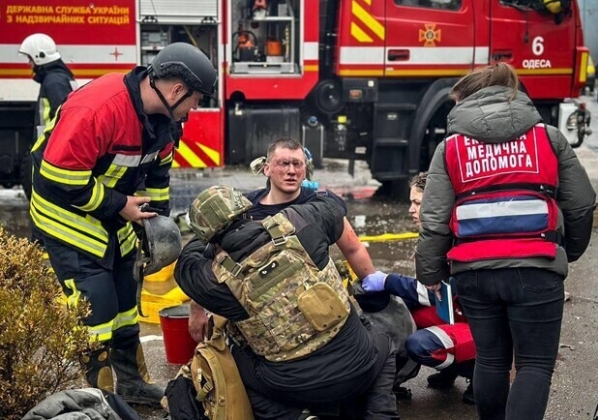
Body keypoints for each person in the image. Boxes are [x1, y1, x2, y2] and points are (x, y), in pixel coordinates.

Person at [29, 42, 217, 407]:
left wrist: (156, 225)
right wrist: (120, 205)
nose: (194, 109)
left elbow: (158, 177)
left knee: (126, 299)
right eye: (195, 100)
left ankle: (132, 385)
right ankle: (99, 400)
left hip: (115, 214)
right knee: (97, 307)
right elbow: (58, 177)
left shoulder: (164, 121)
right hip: (66, 215)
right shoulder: (99, 108)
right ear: (177, 91)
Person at [415, 63, 596, 420]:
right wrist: (567, 252)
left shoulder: (450, 148)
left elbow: (434, 220)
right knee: (534, 365)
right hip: (537, 266)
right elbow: (581, 203)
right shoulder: (548, 138)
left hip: (474, 274)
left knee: (491, 359)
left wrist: (430, 272)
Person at [176, 185, 399, 420]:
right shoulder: (298, 220)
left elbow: (185, 261)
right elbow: (333, 206)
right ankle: (380, 414)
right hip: (358, 367)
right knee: (384, 342)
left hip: (293, 390)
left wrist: (208, 234)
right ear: (246, 210)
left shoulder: (213, 279)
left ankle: (292, 417)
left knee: (231, 362)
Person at [187, 138, 378, 343]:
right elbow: (209, 261)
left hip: (319, 307)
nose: (291, 171)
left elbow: (353, 249)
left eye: (297, 164)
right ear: (267, 169)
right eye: (283, 164)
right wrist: (197, 309)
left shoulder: (321, 205)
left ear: (305, 170)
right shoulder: (242, 209)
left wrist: (377, 292)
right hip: (261, 319)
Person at [361, 172, 476, 404]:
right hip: (460, 314)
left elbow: (436, 293)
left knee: (420, 344)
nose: (411, 210)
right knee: (404, 312)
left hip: (484, 328)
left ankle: (477, 372)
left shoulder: (458, 238)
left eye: (417, 203)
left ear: (436, 204)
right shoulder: (437, 235)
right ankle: (453, 369)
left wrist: (388, 281)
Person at [19, 33, 78, 200]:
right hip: (51, 145)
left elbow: (65, 116)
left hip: (50, 146)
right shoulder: (57, 78)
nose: (29, 63)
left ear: (39, 57)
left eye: (30, 58)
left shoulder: (54, 81)